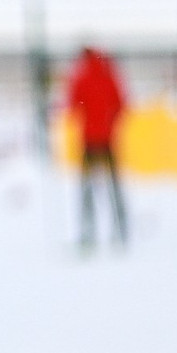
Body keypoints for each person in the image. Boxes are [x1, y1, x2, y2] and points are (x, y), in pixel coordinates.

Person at [65, 44, 128, 251]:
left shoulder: (80, 77)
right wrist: (110, 123)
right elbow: (122, 105)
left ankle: (88, 234)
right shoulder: (110, 74)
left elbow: (73, 107)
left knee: (87, 189)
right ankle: (121, 232)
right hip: (109, 140)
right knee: (114, 188)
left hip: (89, 140)